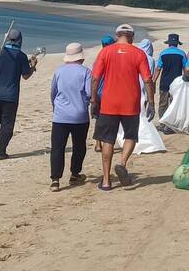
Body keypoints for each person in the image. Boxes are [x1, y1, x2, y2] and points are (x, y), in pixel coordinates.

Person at [91, 24, 155, 190]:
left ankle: (106, 181)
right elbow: (148, 80)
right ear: (132, 37)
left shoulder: (105, 52)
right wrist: (151, 102)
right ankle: (122, 163)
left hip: (109, 103)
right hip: (130, 103)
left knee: (107, 139)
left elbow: (95, 78)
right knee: (131, 136)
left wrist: (93, 100)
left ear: (117, 35)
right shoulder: (139, 53)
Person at [0, 29, 35, 159]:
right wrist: (33, 67)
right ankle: (1, 152)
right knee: (7, 124)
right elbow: (26, 75)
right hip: (11, 96)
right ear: (20, 40)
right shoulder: (20, 56)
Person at [49, 43, 92, 192]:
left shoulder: (59, 71)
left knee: (57, 147)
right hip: (80, 115)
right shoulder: (86, 72)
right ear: (80, 57)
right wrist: (83, 104)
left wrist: (56, 107)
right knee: (79, 146)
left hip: (60, 115)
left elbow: (53, 92)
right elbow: (88, 93)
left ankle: (55, 179)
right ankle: (75, 173)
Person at [155, 33, 187, 133]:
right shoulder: (182, 54)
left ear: (168, 44)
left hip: (164, 82)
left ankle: (162, 124)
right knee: (174, 104)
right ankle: (171, 125)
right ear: (177, 44)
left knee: (163, 104)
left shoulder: (163, 53)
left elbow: (158, 69)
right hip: (176, 83)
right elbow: (186, 69)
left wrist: (153, 81)